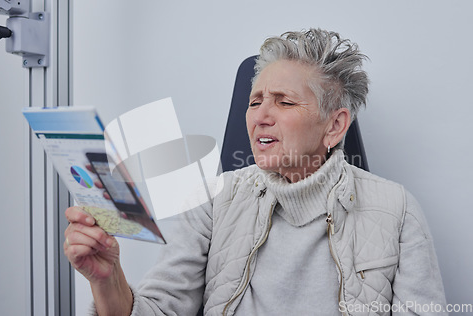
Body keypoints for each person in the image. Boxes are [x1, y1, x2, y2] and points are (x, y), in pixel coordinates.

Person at [64, 28, 447, 315]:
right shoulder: (211, 200)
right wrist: (107, 279)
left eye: (284, 102)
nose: (260, 117)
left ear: (335, 125)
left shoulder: (397, 210)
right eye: (255, 101)